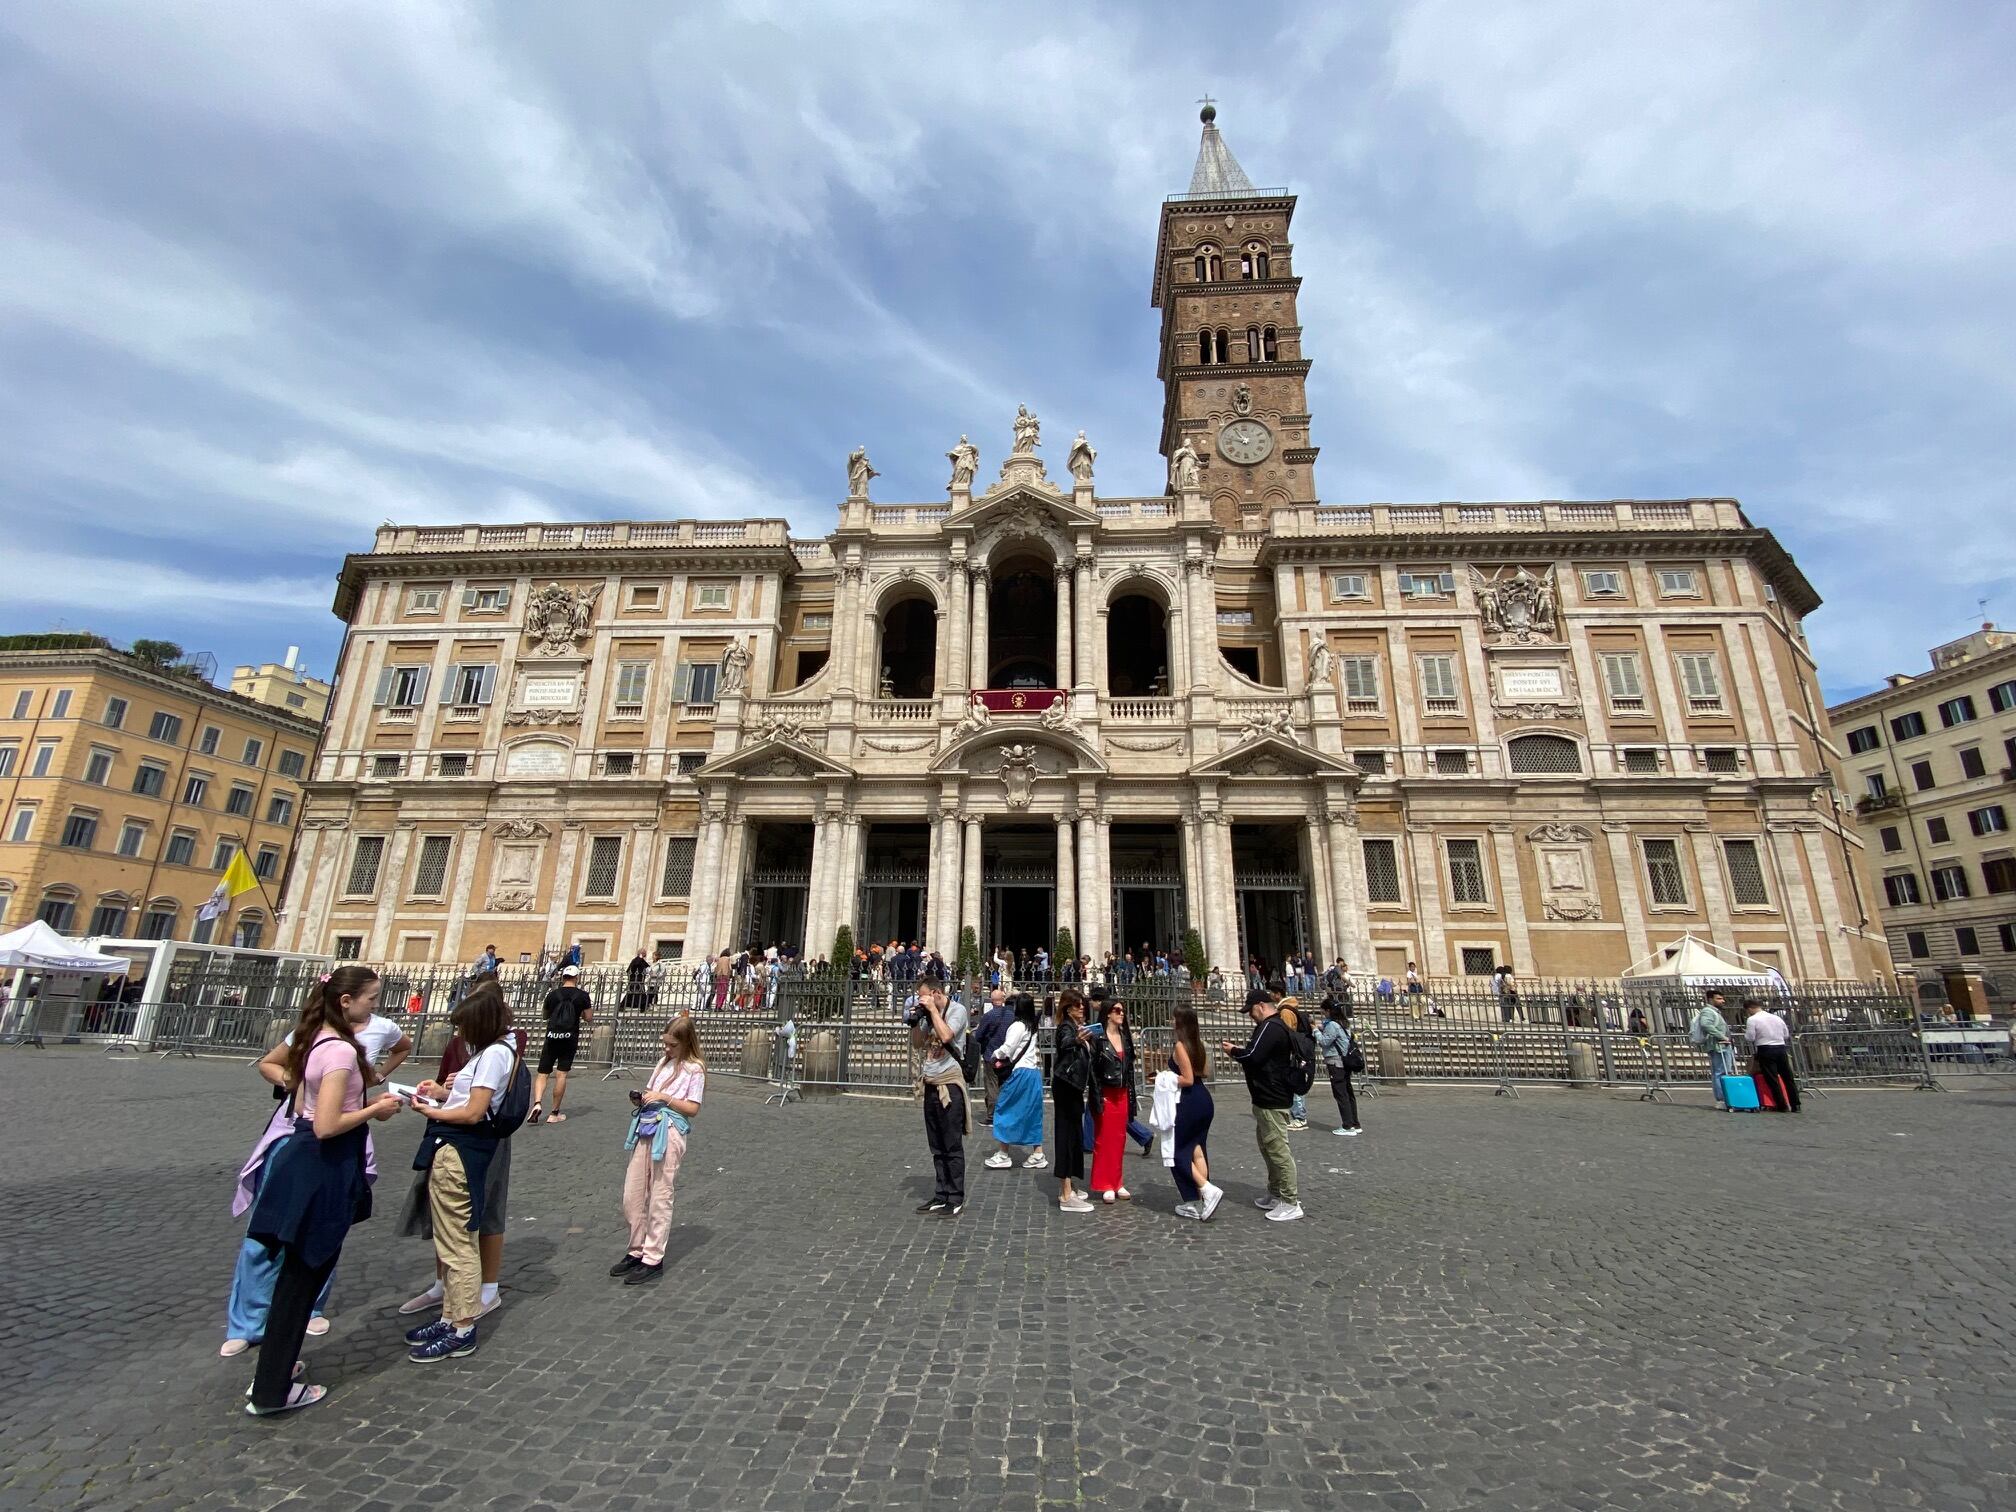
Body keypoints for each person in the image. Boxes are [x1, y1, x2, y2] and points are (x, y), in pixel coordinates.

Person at [242, 967, 404, 1414]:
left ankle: (277, 1366)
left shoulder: (312, 1037)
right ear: (347, 1000)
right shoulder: (339, 1054)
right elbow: (328, 1124)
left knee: (295, 1275)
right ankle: (272, 1390)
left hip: (302, 1161)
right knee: (303, 1275)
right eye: (371, 998)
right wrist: (375, 1108)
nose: (375, 1006)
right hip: (322, 1167)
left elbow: (293, 1092)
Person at [400, 982, 523, 1362]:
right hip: (454, 1146)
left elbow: (473, 1112)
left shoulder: (493, 1056)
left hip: (462, 1149)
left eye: (464, 1025)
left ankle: (463, 1328)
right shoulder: (488, 1053)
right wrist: (441, 1094)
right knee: (451, 1239)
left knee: (458, 1245)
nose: (460, 1033)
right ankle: (450, 1315)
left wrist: (431, 1111)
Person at [612, 1013, 706, 1285]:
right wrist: (642, 1098)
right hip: (647, 1126)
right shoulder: (663, 1063)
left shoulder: (694, 1069)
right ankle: (636, 1248)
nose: (666, 1049)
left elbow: (693, 1108)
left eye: (672, 1045)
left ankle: (653, 1257)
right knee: (633, 1193)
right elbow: (651, 1091)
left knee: (660, 1194)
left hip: (670, 1131)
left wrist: (665, 1098)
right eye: (664, 1043)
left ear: (686, 1043)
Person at [1222, 988, 1303, 1222]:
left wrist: (1234, 1051)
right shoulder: (1271, 1027)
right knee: (1267, 1148)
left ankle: (1290, 1201)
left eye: (1251, 1011)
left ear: (1260, 1006)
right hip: (1265, 1097)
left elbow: (1254, 1057)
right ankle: (1276, 1193)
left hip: (1272, 1097)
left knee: (1278, 1151)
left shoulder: (1271, 1027)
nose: (1250, 1016)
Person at [911, 976, 969, 1217]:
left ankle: (955, 1196)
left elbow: (946, 1036)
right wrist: (915, 1020)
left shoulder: (958, 1010)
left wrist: (933, 1011)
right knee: (936, 1143)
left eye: (923, 995)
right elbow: (917, 1043)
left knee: (951, 1142)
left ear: (935, 992)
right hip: (931, 1083)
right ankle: (940, 1193)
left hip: (950, 1085)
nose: (921, 1000)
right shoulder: (927, 1014)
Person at [982, 996, 1048, 1172]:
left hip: (1020, 1073)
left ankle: (1003, 1154)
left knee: (1004, 1109)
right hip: (1033, 1073)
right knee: (1032, 1113)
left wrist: (995, 1054)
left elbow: (1008, 1048)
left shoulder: (1017, 1026)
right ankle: (1038, 1153)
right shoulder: (1032, 1027)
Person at [1169, 1006, 1222, 1220]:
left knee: (1176, 1153)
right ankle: (1199, 1201)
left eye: (1173, 1018)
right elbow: (1205, 1072)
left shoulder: (1180, 1046)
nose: (1170, 1021)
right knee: (1197, 1150)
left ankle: (1206, 1190)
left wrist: (1166, 1077)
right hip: (1204, 1099)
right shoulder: (1198, 1045)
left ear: (1180, 1022)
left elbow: (1188, 1079)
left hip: (1189, 1100)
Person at [1049, 988, 1095, 1212]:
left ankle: (1071, 1186)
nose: (1082, 1008)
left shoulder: (1078, 1028)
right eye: (1078, 1005)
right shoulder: (1066, 1028)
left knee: (1074, 1135)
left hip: (1074, 1087)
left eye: (1083, 1005)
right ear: (1068, 1008)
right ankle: (1066, 1195)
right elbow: (1065, 1042)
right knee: (1066, 1136)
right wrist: (1077, 1039)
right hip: (1066, 1087)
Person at [530, 964, 592, 1124]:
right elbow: (588, 1017)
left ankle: (537, 1103)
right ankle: (554, 1112)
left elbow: (545, 1016)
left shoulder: (552, 995)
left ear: (563, 977)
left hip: (552, 1036)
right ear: (576, 977)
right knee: (561, 1074)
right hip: (569, 1036)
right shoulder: (582, 995)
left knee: (543, 1073)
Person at [1088, 998, 1136, 1203]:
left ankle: (1117, 1181)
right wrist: (1097, 1096)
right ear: (1108, 1013)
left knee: (1119, 1139)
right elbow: (1094, 1071)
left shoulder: (1125, 1037)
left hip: (1122, 1092)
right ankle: (1104, 1183)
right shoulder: (1099, 1039)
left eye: (1123, 1011)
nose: (1121, 1013)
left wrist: (1132, 1097)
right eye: (1117, 1010)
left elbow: (1130, 1069)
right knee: (1103, 1139)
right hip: (1106, 1092)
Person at [1744, 996, 1801, 1112]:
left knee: (1772, 1078)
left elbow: (1750, 1037)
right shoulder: (1776, 1018)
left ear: (1749, 1009)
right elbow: (1785, 1034)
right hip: (1780, 1047)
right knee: (1788, 1077)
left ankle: (1781, 1105)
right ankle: (1796, 1104)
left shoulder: (1752, 1020)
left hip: (1765, 1048)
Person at [1316, 996, 1363, 1137]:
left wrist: (1315, 1030)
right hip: (1345, 1062)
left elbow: (1324, 1042)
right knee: (1348, 1093)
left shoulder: (1332, 1025)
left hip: (1336, 1063)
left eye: (1323, 1012)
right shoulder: (1343, 1023)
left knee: (1340, 1094)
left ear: (1329, 1011)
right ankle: (1355, 1123)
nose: (1323, 1014)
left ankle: (1347, 1126)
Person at [971, 987, 1014, 1122]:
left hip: (991, 1054)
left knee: (992, 1084)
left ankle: (992, 1115)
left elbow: (979, 1035)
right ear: (1002, 1000)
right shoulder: (1011, 1015)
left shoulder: (989, 1016)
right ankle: (1005, 1112)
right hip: (1007, 1054)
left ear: (992, 1000)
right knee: (1004, 1084)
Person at [1691, 989, 1736, 1108]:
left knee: (1725, 1071)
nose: (1722, 1001)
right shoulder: (1708, 1011)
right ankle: (1721, 1099)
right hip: (1718, 1046)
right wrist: (1722, 1036)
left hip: (1722, 1045)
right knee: (1720, 1072)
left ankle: (1726, 1097)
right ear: (1711, 999)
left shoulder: (1715, 1012)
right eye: (1719, 999)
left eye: (1722, 998)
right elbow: (1706, 1025)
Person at [1278, 996, 1311, 1130]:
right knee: (1293, 1083)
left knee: (1295, 1083)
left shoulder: (1286, 1012)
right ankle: (1296, 1115)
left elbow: (1286, 1033)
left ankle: (1299, 1117)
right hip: (1297, 1052)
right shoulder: (1292, 1010)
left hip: (1293, 1053)